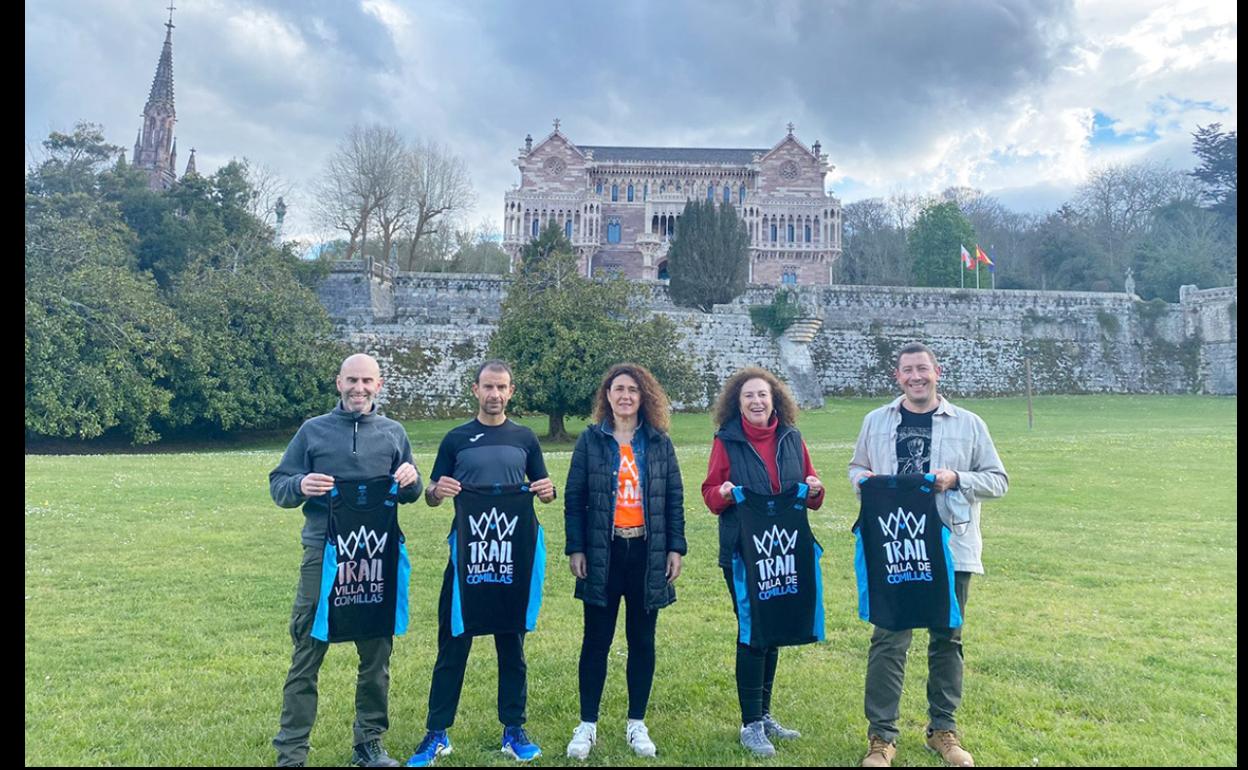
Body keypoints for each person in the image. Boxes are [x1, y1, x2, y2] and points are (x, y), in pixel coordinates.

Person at [848, 342, 1008, 768]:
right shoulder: (876, 421)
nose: (916, 377)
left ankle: (943, 729)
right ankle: (881, 737)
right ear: (896, 376)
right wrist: (862, 479)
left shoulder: (969, 424)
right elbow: (855, 468)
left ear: (937, 371)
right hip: (894, 546)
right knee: (888, 639)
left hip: (951, 546)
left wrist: (956, 478)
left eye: (923, 369)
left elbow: (998, 481)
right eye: (907, 371)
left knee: (946, 638)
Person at [269, 353, 423, 768]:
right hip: (324, 553)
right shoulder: (313, 431)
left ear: (380, 384)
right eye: (352, 380)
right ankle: (292, 753)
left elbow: (411, 489)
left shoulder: (393, 433)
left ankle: (368, 744)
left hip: (376, 554)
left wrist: (412, 480)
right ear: (338, 382)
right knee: (308, 649)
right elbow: (278, 485)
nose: (359, 388)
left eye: (367, 381)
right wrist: (300, 483)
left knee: (376, 654)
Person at [406, 360, 556, 767]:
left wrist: (547, 491)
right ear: (475, 390)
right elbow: (432, 494)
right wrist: (438, 490)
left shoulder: (525, 439)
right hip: (466, 560)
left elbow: (544, 489)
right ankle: (436, 733)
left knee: (512, 647)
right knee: (452, 646)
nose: (494, 394)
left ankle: (514, 730)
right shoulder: (456, 439)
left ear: (511, 391)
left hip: (512, 559)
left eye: (502, 387)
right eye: (488, 386)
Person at [563, 363, 687, 760]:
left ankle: (637, 723)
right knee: (595, 641)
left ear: (643, 395)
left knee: (642, 640)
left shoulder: (659, 442)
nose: (626, 396)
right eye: (618, 389)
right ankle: (587, 725)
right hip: (604, 551)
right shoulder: (591, 441)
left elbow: (673, 499)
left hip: (647, 553)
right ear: (608, 395)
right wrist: (576, 548)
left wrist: (675, 549)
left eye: (633, 389)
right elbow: (574, 498)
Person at [700, 367, 825, 758]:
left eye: (763, 395)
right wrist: (722, 493)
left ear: (775, 400)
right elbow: (710, 495)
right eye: (748, 396)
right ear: (737, 404)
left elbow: (811, 490)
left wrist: (817, 489)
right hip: (743, 552)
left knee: (774, 631)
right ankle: (750, 724)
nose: (756, 402)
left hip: (785, 549)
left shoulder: (792, 437)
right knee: (753, 632)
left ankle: (765, 713)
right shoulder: (727, 441)